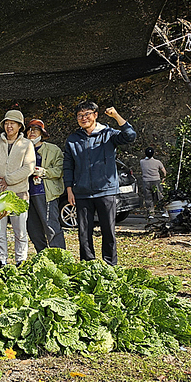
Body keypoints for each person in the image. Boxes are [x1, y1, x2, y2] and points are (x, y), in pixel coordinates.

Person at [63, 101, 137, 265]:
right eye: (80, 115)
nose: (84, 118)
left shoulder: (108, 134)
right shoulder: (73, 139)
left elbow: (130, 136)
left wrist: (116, 116)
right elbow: (68, 165)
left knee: (108, 231)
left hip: (106, 191)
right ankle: (88, 265)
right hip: (82, 192)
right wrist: (69, 189)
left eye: (87, 114)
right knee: (84, 233)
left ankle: (110, 265)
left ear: (95, 115)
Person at [0, 109, 35, 265]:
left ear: (19, 126)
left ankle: (21, 261)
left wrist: (8, 180)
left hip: (18, 194)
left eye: (13, 124)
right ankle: (2, 260)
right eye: (7, 123)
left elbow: (29, 168)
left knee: (20, 231)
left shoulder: (27, 144)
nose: (9, 126)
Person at [26, 119, 66, 251]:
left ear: (42, 133)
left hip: (46, 193)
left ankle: (59, 256)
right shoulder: (22, 148)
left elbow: (60, 170)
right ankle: (42, 256)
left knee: (51, 227)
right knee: (33, 229)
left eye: (35, 130)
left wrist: (44, 172)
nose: (32, 133)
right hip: (25, 194)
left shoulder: (53, 149)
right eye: (29, 130)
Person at [140, 147, 169, 219]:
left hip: (146, 181)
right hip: (156, 180)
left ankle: (151, 213)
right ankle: (164, 211)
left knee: (148, 198)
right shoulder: (158, 162)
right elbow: (164, 171)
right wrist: (164, 178)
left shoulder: (142, 162)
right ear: (153, 154)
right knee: (160, 196)